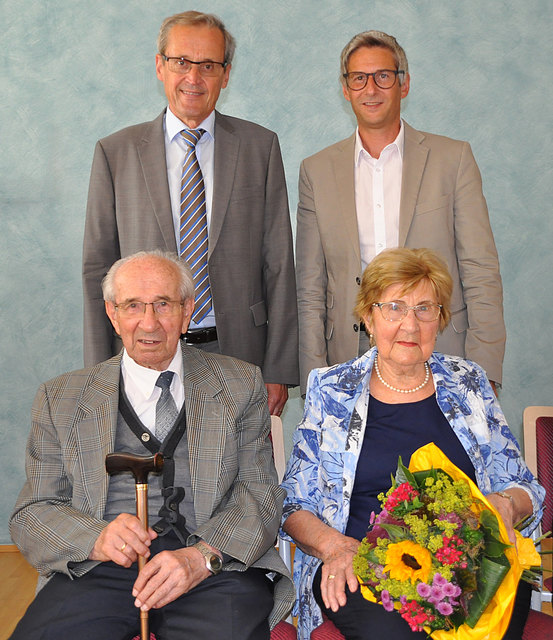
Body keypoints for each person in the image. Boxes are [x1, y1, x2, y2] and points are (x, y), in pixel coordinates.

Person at [10, 250, 294, 640]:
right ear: (112, 313)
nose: (149, 322)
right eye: (133, 306)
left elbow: (260, 494)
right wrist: (97, 537)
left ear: (187, 310)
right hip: (99, 570)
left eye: (163, 304)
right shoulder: (61, 398)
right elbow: (33, 511)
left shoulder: (239, 384)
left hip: (213, 569)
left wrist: (202, 557)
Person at [281, 248, 543, 640]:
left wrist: (505, 505)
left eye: (425, 309)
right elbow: (293, 504)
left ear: (439, 320)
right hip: (363, 562)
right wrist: (334, 547)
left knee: (489, 625)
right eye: (394, 307)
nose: (410, 323)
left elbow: (527, 487)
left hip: (469, 561)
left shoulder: (468, 383)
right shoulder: (331, 390)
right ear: (368, 317)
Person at [83, 10, 298, 416]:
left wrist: (279, 368)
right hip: (144, 349)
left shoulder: (260, 147)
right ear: (160, 66)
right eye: (181, 62)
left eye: (208, 65)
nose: (194, 78)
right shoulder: (116, 153)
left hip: (240, 352)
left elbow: (280, 264)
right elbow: (98, 268)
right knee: (152, 473)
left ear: (226, 74)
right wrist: (102, 369)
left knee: (236, 475)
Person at [296, 30, 505, 395]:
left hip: (439, 351)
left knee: (439, 454)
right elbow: (310, 287)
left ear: (403, 85)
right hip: (350, 357)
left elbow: (481, 270)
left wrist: (483, 369)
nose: (371, 89)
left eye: (383, 76)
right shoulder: (316, 170)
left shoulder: (452, 160)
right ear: (345, 89)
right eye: (359, 78)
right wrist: (316, 376)